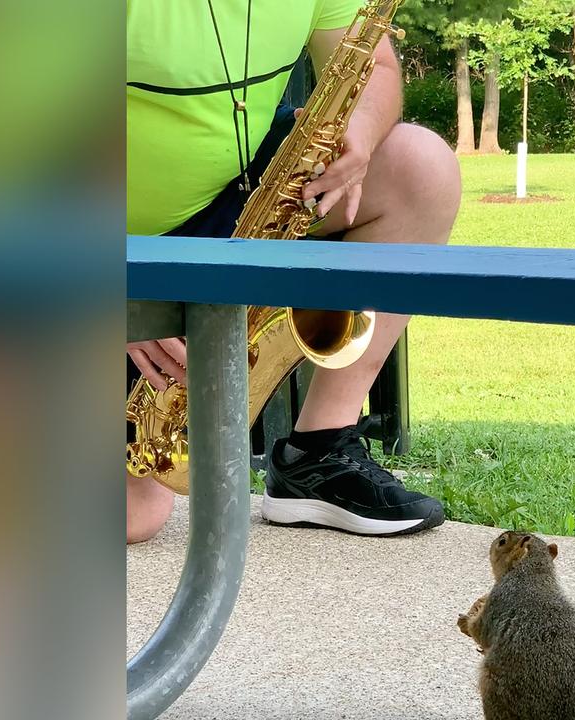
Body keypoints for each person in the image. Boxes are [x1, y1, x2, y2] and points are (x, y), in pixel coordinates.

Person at [126, 0, 461, 543]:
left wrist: (360, 135)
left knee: (419, 168)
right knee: (133, 515)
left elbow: (374, 68)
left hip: (238, 195)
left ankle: (318, 451)